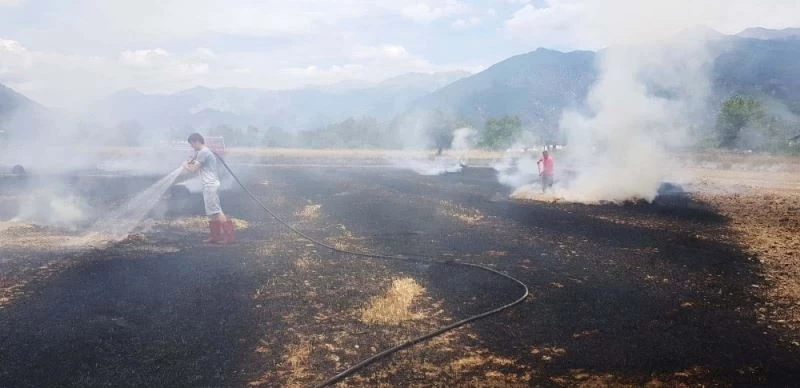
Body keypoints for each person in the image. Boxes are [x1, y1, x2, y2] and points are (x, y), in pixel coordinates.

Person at [182, 133, 235, 244]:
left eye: (192, 144)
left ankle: (228, 236)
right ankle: (214, 236)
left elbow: (193, 170)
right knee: (212, 212)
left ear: (196, 141)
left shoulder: (203, 152)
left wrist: (184, 165)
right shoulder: (201, 152)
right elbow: (194, 160)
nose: (191, 146)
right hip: (208, 185)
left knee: (216, 211)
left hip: (210, 185)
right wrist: (190, 160)